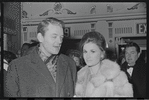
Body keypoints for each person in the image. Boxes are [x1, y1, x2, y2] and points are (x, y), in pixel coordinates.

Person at [4, 17, 77, 97]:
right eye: (54, 36)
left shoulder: (70, 64)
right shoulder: (17, 66)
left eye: (61, 37)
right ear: (40, 37)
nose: (59, 41)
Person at [75, 31, 133, 97]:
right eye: (85, 52)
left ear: (102, 54)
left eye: (92, 51)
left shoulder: (116, 77)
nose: (88, 56)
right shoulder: (79, 78)